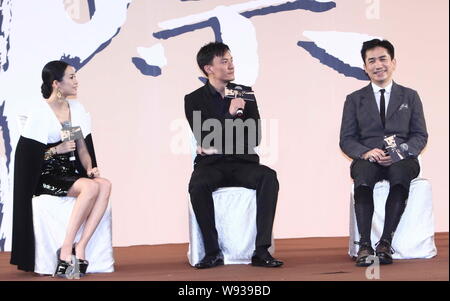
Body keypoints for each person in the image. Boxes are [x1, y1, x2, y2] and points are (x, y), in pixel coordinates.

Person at [184, 42, 283, 269]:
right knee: (197, 185)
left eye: (231, 60)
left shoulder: (244, 93)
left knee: (269, 177)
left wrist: (218, 139)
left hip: (242, 162)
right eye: (224, 61)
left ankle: (261, 251)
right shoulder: (194, 99)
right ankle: (212, 251)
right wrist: (229, 117)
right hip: (210, 165)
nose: (231, 65)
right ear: (209, 68)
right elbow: (206, 137)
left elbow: (254, 136)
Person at [11, 60, 112, 277]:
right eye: (72, 77)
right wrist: (57, 149)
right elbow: (29, 158)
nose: (76, 82)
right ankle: (67, 248)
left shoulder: (75, 109)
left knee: (104, 184)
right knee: (90, 189)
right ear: (57, 83)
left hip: (69, 174)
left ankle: (81, 245)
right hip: (45, 175)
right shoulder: (40, 112)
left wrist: (90, 168)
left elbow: (83, 148)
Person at [339, 39, 428, 266]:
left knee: (400, 177)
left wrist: (402, 152)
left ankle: (385, 243)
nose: (378, 65)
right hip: (369, 157)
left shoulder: (410, 96)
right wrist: (366, 152)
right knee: (363, 179)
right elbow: (346, 139)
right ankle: (365, 245)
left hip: (403, 159)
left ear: (393, 62)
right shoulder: (353, 99)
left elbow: (420, 135)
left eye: (383, 59)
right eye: (372, 61)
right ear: (365, 67)